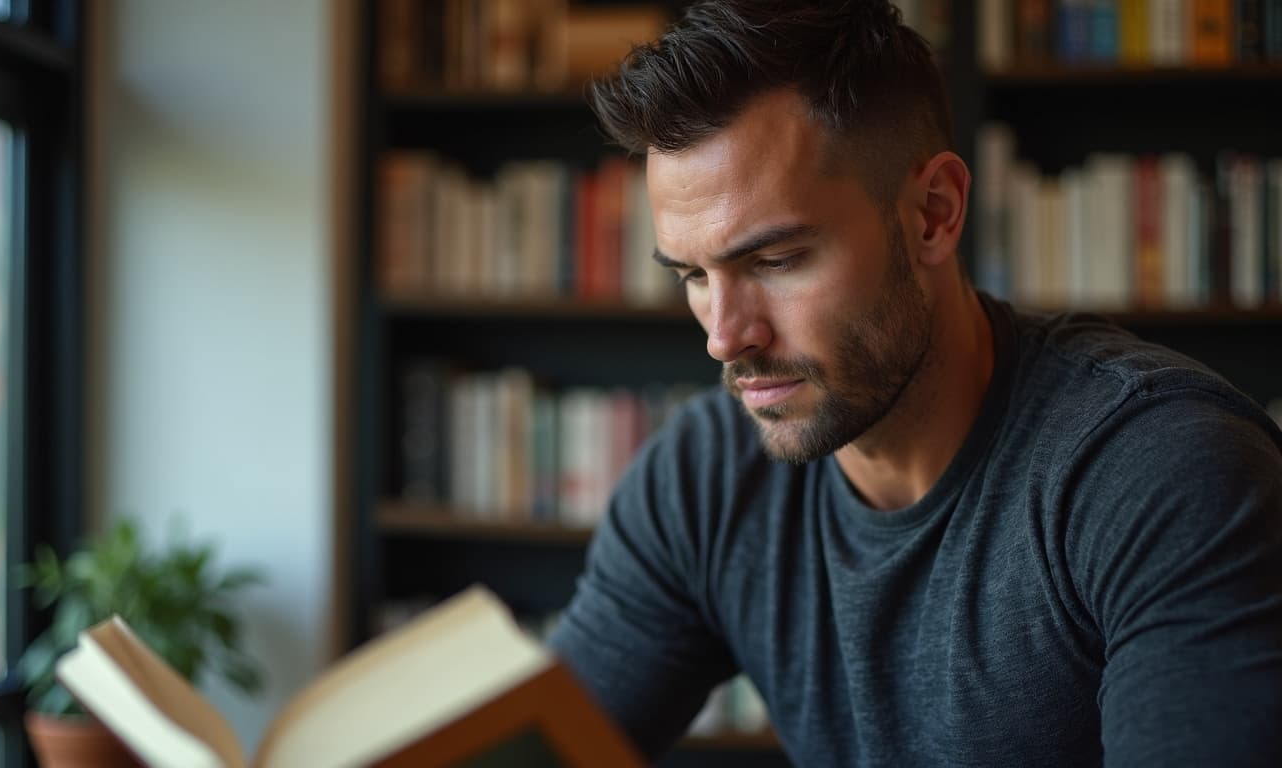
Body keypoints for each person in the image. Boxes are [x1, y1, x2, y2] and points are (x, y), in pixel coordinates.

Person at [545, 1, 1282, 765]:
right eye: (696, 276)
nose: (725, 336)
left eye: (775, 261)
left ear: (935, 212)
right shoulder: (702, 479)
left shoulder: (1160, 472)